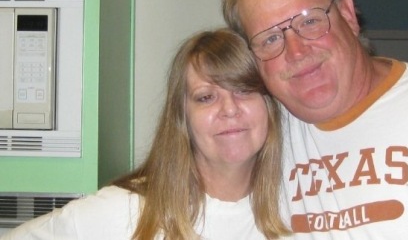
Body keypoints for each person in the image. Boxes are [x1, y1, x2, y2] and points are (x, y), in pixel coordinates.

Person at [220, 0, 408, 239]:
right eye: (270, 38)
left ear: (347, 14)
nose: (297, 52)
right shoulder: (258, 135)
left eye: (310, 21)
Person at [1, 28, 291, 240]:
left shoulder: (299, 208)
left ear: (269, 106)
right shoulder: (125, 211)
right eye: (206, 97)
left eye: (244, 90)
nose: (230, 109)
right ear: (182, 118)